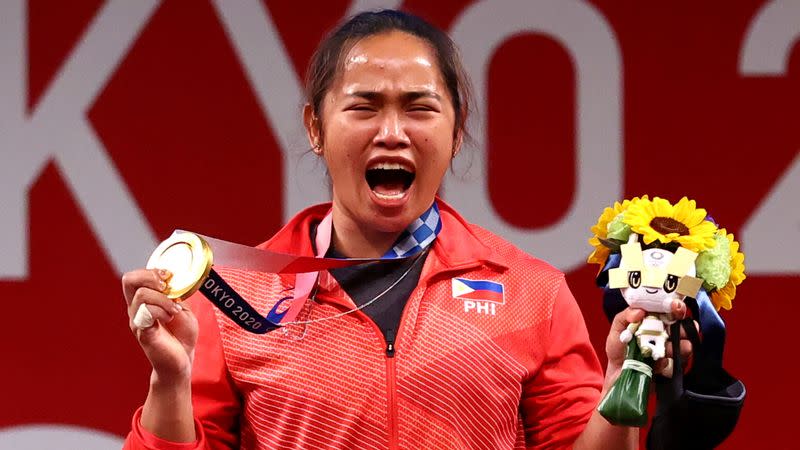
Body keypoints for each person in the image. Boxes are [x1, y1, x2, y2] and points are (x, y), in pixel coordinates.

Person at [121, 9, 690, 449]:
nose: (392, 131)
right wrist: (168, 383)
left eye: (419, 108)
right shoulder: (233, 298)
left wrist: (623, 383)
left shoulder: (530, 293)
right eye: (364, 107)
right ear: (315, 127)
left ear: (456, 130)